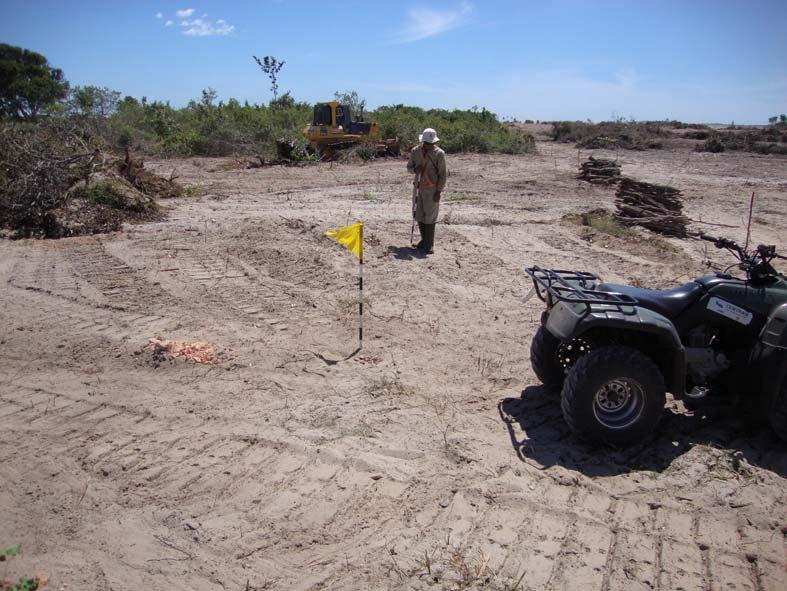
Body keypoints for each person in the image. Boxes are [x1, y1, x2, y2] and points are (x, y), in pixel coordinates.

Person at [407, 128, 447, 254]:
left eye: (430, 143)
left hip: (432, 189)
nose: (428, 145)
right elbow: (409, 167)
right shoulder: (415, 151)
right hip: (418, 188)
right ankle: (424, 240)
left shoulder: (439, 154)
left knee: (430, 216)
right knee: (419, 214)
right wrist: (415, 170)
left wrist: (438, 192)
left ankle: (429, 244)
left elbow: (443, 174)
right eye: (426, 143)